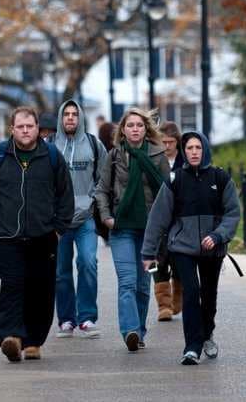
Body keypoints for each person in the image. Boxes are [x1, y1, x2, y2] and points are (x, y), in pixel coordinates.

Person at [0, 107, 74, 362]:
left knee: (41, 289)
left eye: (30, 126)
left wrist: (59, 228)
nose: (25, 131)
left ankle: (34, 341)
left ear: (38, 128)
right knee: (13, 285)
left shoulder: (51, 156)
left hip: (43, 236)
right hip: (6, 237)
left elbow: (65, 195)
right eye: (20, 127)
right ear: (12, 129)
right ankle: (11, 337)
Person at [142, 131, 240, 365]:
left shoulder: (221, 178)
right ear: (184, 151)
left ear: (204, 149)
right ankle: (192, 347)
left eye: (198, 148)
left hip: (212, 248)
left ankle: (207, 334)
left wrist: (218, 235)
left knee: (209, 295)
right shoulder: (175, 180)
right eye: (189, 148)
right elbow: (158, 218)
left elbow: (233, 214)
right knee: (191, 292)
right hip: (182, 248)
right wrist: (148, 252)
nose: (194, 152)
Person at [94, 107, 169, 351]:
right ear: (123, 131)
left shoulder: (158, 155)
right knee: (127, 282)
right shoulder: (114, 156)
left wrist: (163, 226)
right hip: (122, 228)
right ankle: (131, 331)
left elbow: (168, 193)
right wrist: (106, 217)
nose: (135, 129)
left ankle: (140, 330)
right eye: (130, 125)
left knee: (142, 285)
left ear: (146, 129)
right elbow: (102, 189)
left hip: (150, 231)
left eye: (139, 125)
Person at [52, 100, 107, 339]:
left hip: (86, 218)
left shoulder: (94, 145)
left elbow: (104, 178)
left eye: (75, 114)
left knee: (88, 263)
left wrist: (94, 202)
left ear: (81, 117)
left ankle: (86, 317)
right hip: (58, 221)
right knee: (60, 271)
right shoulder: (49, 146)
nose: (71, 118)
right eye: (67, 114)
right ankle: (66, 319)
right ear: (61, 119)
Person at [152, 121, 185, 322]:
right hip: (158, 217)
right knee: (157, 262)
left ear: (177, 141)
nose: (167, 146)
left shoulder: (185, 160)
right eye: (163, 141)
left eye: (171, 141)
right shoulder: (154, 159)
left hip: (181, 218)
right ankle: (163, 305)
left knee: (180, 260)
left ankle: (178, 298)